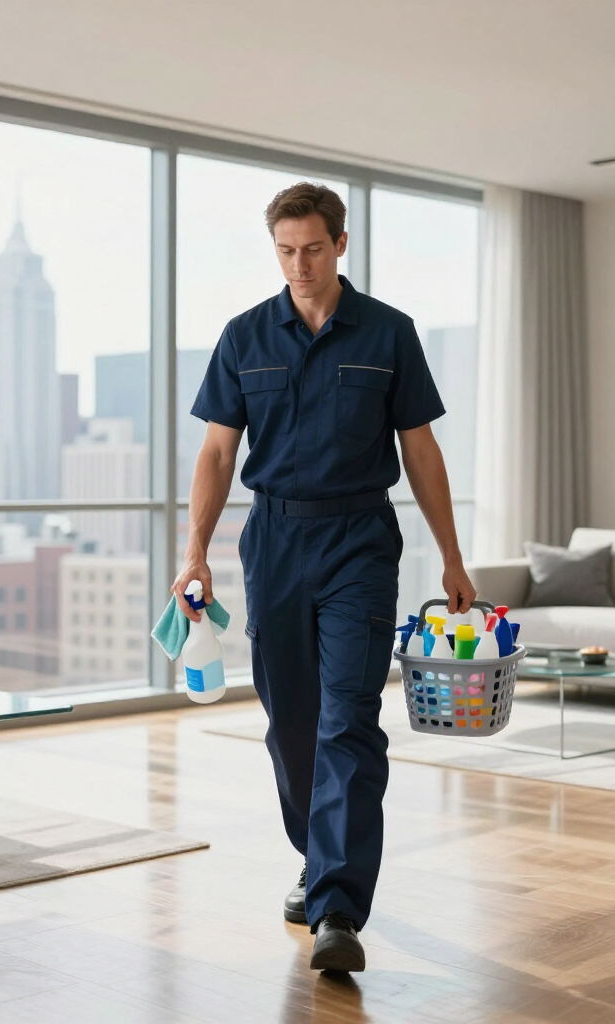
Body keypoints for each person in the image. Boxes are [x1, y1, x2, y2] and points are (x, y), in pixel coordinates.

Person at [173, 182, 476, 973]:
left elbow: (421, 451)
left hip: (359, 541)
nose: (298, 266)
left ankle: (338, 907)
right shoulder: (244, 337)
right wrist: (194, 550)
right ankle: (314, 853)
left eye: (312, 249)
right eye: (284, 251)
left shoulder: (389, 333)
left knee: (348, 718)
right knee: (293, 721)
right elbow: (215, 454)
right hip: (272, 539)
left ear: (341, 244)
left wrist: (450, 553)